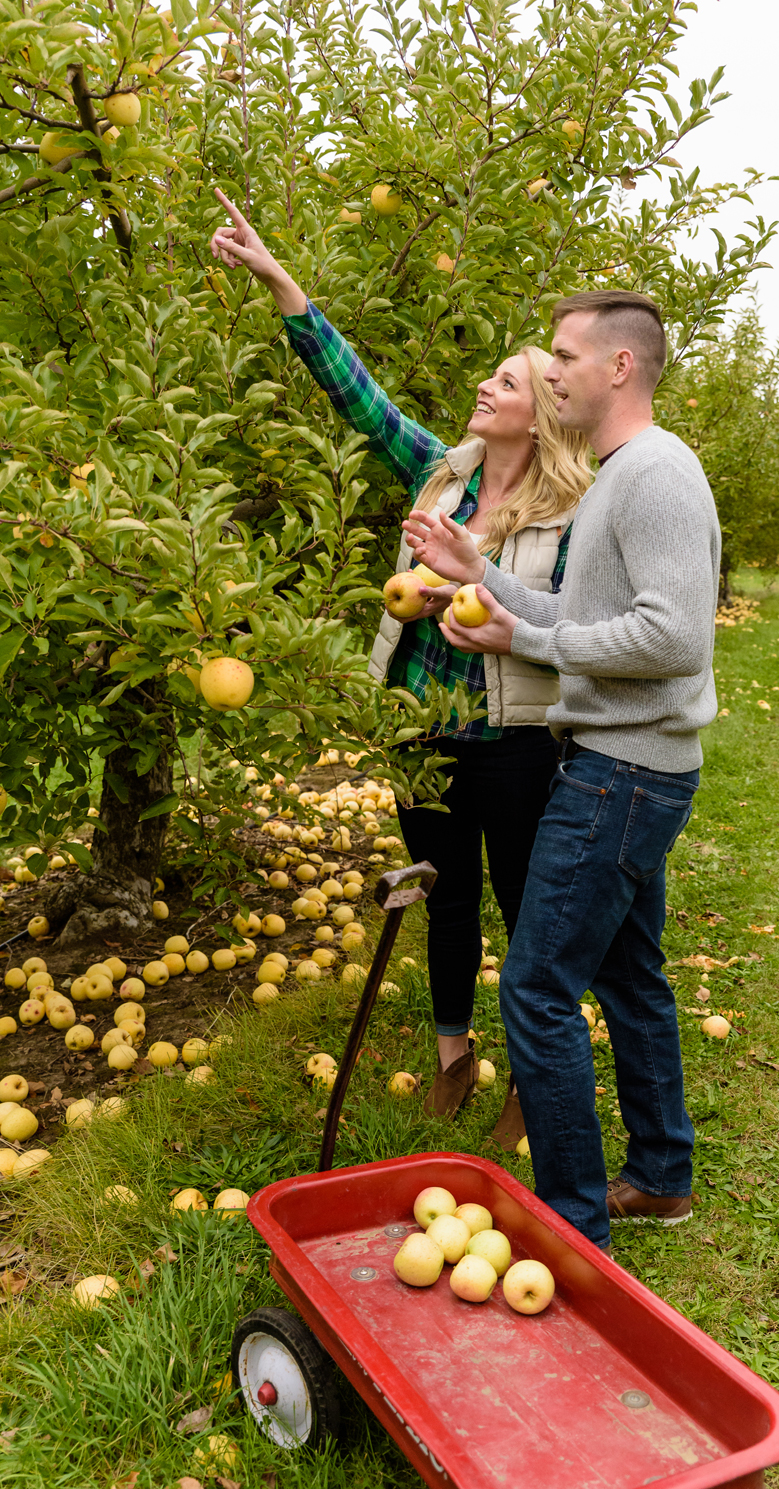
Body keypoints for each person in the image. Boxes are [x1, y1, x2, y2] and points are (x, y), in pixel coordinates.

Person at [206, 191, 594, 1131]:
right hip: (420, 728)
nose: (484, 389)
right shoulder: (441, 473)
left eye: (506, 382)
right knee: (446, 896)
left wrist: (476, 583)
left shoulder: (571, 513)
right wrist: (283, 283)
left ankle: (533, 1082)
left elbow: (569, 618)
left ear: (541, 414)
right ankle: (454, 1055)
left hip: (514, 738)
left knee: (525, 911)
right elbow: (359, 397)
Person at [401, 289, 719, 1248]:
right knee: (631, 977)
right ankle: (662, 1175)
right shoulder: (621, 475)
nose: (554, 372)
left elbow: (674, 635)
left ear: (619, 367)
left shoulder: (654, 473)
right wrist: (481, 577)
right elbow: (575, 619)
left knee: (536, 986)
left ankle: (573, 1227)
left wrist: (544, 636)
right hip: (626, 760)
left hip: (621, 771)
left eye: (567, 355)